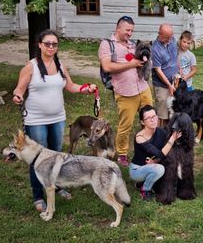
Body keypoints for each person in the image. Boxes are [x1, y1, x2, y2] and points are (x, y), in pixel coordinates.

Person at [13, 29, 98, 212]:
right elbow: (19, 88)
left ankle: (57, 186)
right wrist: (17, 95)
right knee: (38, 159)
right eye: (47, 43)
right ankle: (38, 196)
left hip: (58, 118)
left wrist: (85, 88)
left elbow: (71, 86)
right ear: (40, 45)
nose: (51, 47)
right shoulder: (31, 66)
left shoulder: (60, 65)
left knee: (57, 154)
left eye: (54, 44)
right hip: (36, 120)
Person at [99, 16, 152, 167]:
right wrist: (132, 64)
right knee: (126, 125)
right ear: (118, 28)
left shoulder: (134, 44)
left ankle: (148, 146)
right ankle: (122, 153)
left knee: (149, 119)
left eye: (132, 31)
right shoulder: (107, 44)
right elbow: (107, 67)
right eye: (127, 30)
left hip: (143, 88)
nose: (130, 33)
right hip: (125, 91)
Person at [129, 105, 181, 201]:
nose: (152, 120)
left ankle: (142, 183)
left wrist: (156, 161)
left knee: (168, 163)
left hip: (151, 165)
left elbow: (168, 151)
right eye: (148, 118)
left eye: (154, 116)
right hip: (137, 169)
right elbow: (161, 154)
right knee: (160, 169)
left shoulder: (161, 132)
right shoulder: (140, 137)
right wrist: (172, 138)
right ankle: (145, 190)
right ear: (142, 122)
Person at [151, 23, 178, 128]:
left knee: (173, 108)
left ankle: (171, 131)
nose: (170, 40)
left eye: (171, 37)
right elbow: (158, 70)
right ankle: (160, 133)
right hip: (162, 85)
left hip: (175, 80)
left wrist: (179, 71)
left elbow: (176, 56)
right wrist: (169, 86)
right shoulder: (155, 49)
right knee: (163, 112)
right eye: (167, 37)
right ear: (160, 34)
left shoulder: (172, 40)